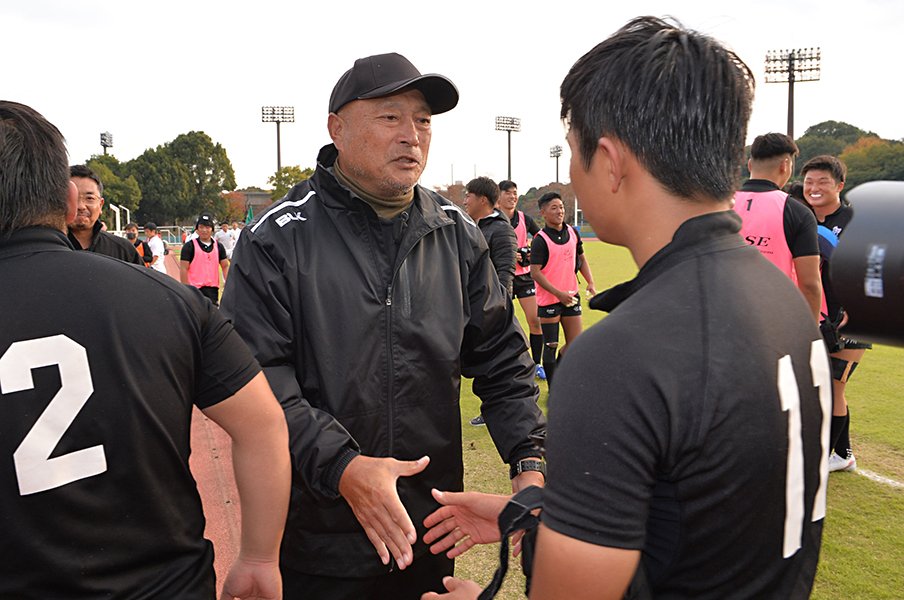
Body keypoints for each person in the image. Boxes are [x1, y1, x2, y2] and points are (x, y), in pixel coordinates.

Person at [421, 17, 830, 600]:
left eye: (573, 152)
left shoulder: (625, 353)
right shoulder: (782, 300)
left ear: (610, 160)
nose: (569, 174)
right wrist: (538, 514)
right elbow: (699, 512)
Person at [220, 52, 545, 600]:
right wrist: (344, 467)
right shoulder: (276, 238)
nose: (412, 136)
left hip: (433, 529)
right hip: (322, 537)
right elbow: (259, 383)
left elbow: (503, 362)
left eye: (422, 121)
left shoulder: (457, 234)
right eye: (390, 117)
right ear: (336, 129)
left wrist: (530, 465)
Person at [0, 100, 291, 599]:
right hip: (164, 585)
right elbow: (263, 424)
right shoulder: (171, 302)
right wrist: (260, 556)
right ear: (71, 202)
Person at [801, 154, 868, 473]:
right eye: (809, 182)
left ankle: (826, 455)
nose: (814, 188)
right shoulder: (799, 217)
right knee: (819, 387)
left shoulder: (856, 221)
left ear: (840, 185)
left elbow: (871, 269)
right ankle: (843, 453)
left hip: (849, 319)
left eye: (823, 182)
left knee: (833, 387)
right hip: (812, 315)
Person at [733, 133, 822, 321]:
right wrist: (810, 335)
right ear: (785, 165)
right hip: (774, 322)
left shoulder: (722, 203)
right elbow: (810, 284)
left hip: (721, 318)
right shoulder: (798, 212)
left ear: (749, 165)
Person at [462, 176, 518, 427]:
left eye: (468, 196)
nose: (464, 201)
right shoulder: (474, 226)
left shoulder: (501, 228)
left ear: (482, 199)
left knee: (497, 363)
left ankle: (497, 410)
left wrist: (500, 305)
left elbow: (506, 268)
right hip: (475, 304)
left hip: (492, 307)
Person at [529, 191, 595, 386]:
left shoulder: (573, 233)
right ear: (543, 213)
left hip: (571, 296)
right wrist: (558, 294)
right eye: (554, 208)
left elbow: (581, 258)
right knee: (550, 345)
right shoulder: (540, 240)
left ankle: (558, 373)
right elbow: (535, 272)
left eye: (561, 207)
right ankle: (554, 388)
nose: (559, 211)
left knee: (575, 344)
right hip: (550, 300)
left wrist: (590, 282)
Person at [497, 180, 546, 380]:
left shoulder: (524, 219)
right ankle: (502, 363)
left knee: (535, 320)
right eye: (508, 193)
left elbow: (543, 240)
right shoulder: (493, 219)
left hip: (524, 276)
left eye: (515, 193)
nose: (512, 196)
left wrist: (528, 252)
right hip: (501, 276)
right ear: (498, 196)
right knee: (500, 322)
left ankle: (537, 364)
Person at [67, 164, 141, 264]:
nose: (81, 206)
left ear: (101, 205)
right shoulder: (46, 249)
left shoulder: (124, 251)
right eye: (73, 197)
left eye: (89, 198)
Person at [180, 213, 229, 306]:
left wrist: (229, 283)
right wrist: (186, 289)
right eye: (201, 227)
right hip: (194, 290)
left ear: (212, 229)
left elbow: (225, 266)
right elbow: (183, 268)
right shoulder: (189, 246)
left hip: (212, 290)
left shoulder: (219, 247)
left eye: (207, 227)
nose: (204, 230)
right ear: (197, 229)